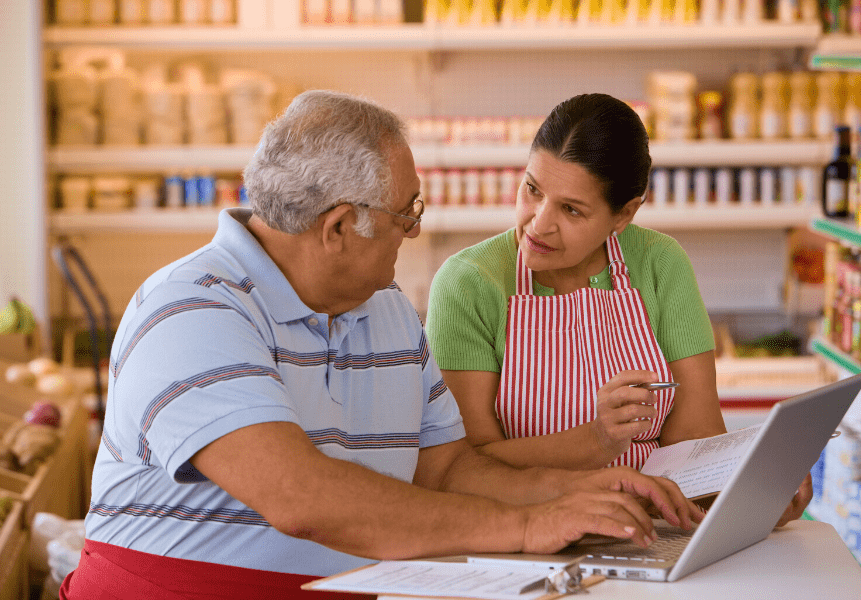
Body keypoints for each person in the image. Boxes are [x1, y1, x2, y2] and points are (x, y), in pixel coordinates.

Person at [61, 90, 704, 600]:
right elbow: (300, 496)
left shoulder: (389, 314)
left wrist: (583, 493)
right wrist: (531, 526)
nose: (414, 232)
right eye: (407, 214)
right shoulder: (193, 305)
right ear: (340, 227)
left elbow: (448, 469)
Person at [425, 93, 811, 524]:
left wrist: (749, 493)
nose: (538, 222)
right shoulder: (468, 284)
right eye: (532, 189)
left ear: (623, 214)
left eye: (571, 209)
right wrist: (595, 440)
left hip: (654, 528)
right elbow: (465, 466)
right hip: (524, 533)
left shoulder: (660, 263)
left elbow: (694, 434)